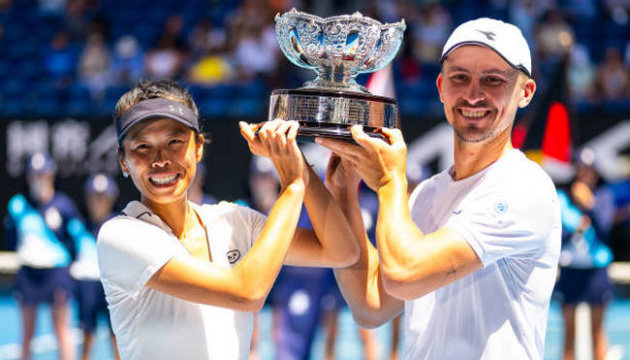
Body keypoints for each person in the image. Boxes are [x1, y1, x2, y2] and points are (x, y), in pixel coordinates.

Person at [317, 18, 562, 359]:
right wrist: (343, 191)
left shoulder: (525, 188)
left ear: (525, 92)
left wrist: (390, 182)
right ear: (441, 87)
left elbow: (404, 275)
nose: (474, 93)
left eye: (493, 80)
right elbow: (371, 305)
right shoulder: (428, 193)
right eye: (460, 77)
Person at [97, 79, 358, 360]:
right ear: (123, 161)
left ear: (198, 147)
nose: (161, 159)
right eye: (143, 147)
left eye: (174, 142)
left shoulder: (233, 220)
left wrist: (296, 161)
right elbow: (246, 292)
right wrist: (293, 185)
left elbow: (341, 250)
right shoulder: (120, 235)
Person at [4, 152, 79, 360]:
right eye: (35, 175)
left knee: (62, 329)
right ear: (29, 177)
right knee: (27, 333)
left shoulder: (64, 206)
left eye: (43, 174)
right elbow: (11, 238)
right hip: (28, 272)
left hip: (56, 272)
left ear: (51, 175)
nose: (39, 179)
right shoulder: (17, 205)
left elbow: (74, 241)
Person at [554, 148, 615, 360]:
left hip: (596, 270)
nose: (584, 174)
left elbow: (604, 229)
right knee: (569, 332)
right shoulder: (562, 198)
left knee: (596, 332)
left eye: (588, 169)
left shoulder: (604, 196)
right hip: (571, 268)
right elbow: (558, 236)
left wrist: (589, 205)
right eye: (580, 169)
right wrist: (576, 226)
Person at [70, 173, 121, 360]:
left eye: (102, 198)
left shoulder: (120, 225)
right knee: (86, 332)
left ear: (111, 199)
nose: (98, 202)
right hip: (87, 287)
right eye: (94, 197)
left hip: (112, 287)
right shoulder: (78, 225)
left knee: (117, 334)